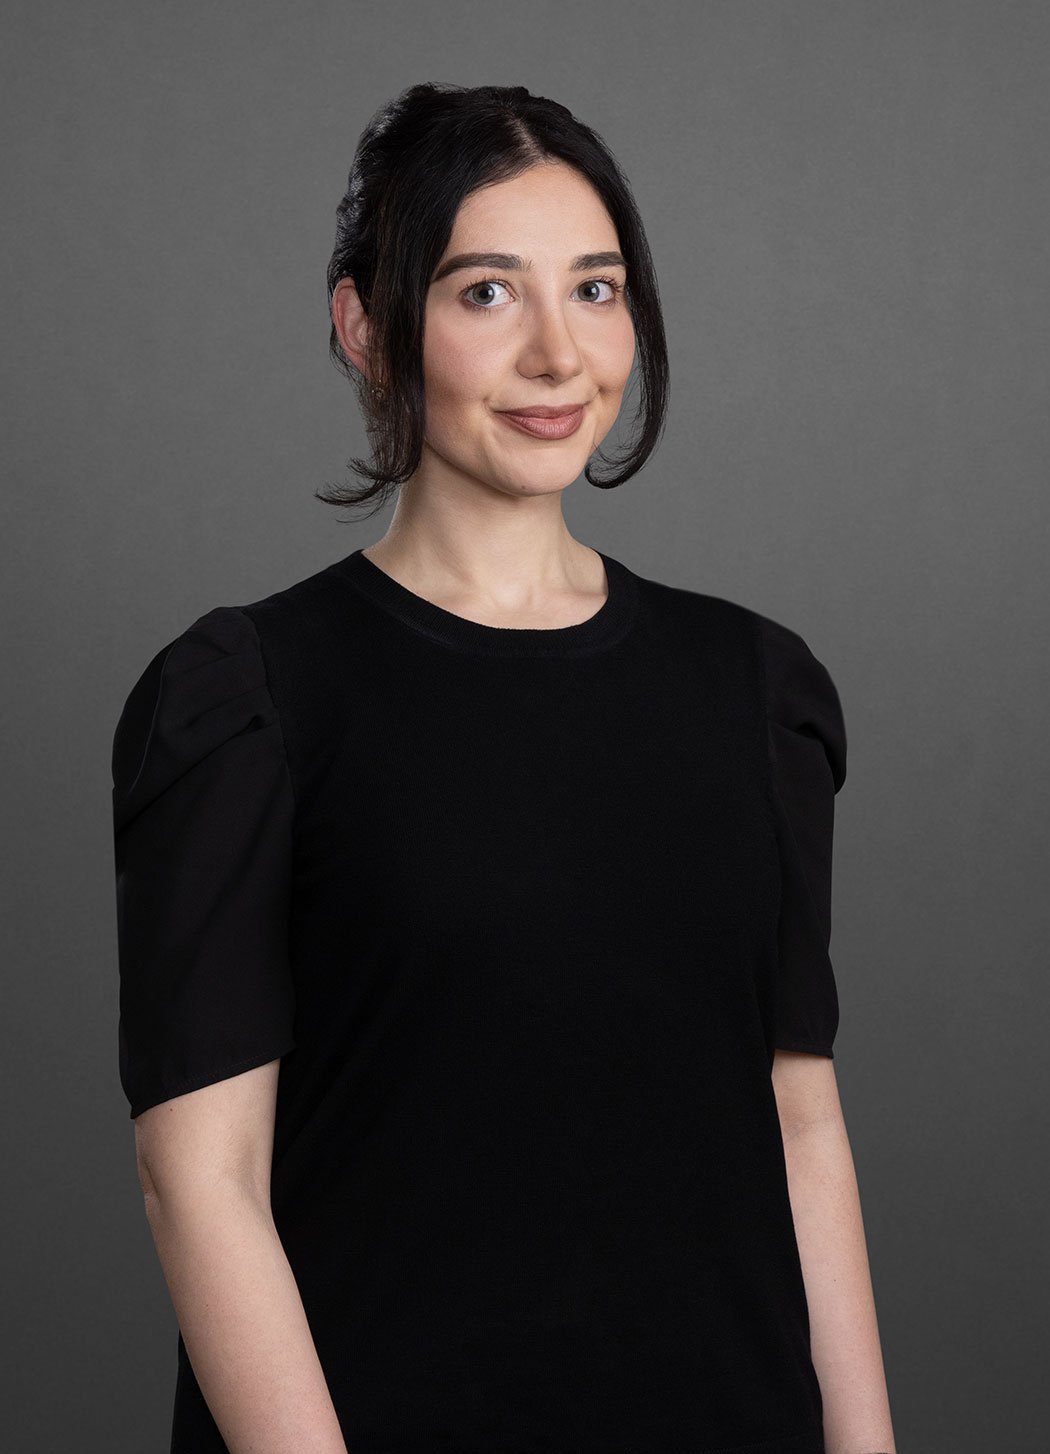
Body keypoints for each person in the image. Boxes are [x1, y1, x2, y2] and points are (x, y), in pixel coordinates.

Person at [111, 82, 896, 1454]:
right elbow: (201, 1181)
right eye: (486, 292)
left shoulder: (754, 690)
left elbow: (800, 1125)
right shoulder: (247, 699)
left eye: (595, 290)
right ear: (365, 326)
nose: (557, 353)